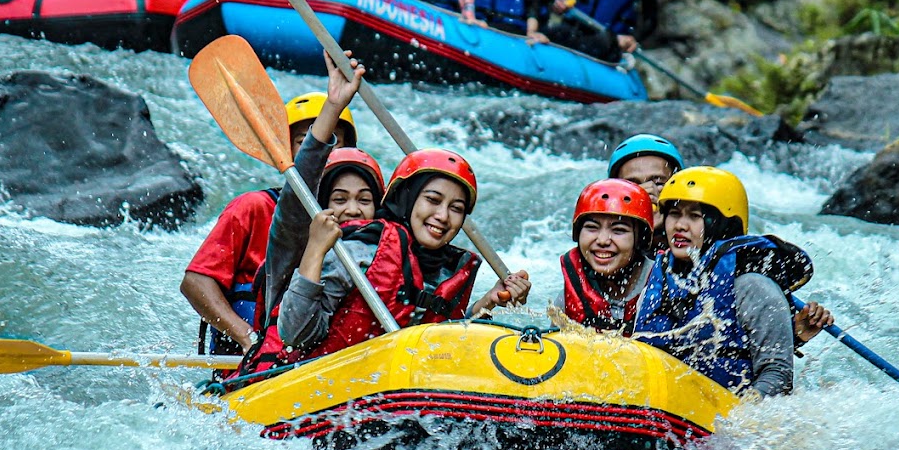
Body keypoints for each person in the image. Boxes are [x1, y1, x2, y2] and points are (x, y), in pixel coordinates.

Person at [272, 145, 531, 363]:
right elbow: (295, 335)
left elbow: (439, 340)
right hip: (324, 390)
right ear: (407, 199)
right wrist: (315, 251)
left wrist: (490, 302)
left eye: (456, 207)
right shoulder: (361, 250)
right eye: (432, 200)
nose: (442, 216)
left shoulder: (446, 269)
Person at [182, 93, 359, 356]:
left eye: (333, 142)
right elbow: (195, 282)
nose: (323, 152)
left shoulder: (359, 220)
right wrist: (248, 339)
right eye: (304, 142)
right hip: (250, 364)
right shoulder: (252, 207)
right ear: (285, 152)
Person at [632, 167, 833, 398]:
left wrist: (741, 416)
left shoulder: (753, 286)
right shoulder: (661, 275)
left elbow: (777, 373)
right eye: (675, 214)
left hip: (730, 413)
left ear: (722, 224)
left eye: (695, 216)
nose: (680, 225)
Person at [554, 179, 657, 333]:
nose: (602, 240)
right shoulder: (571, 292)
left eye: (619, 230)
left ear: (639, 239)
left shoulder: (661, 286)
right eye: (591, 228)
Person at [607, 133, 683, 246]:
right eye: (633, 185)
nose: (648, 191)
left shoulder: (699, 237)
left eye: (658, 183)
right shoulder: (602, 242)